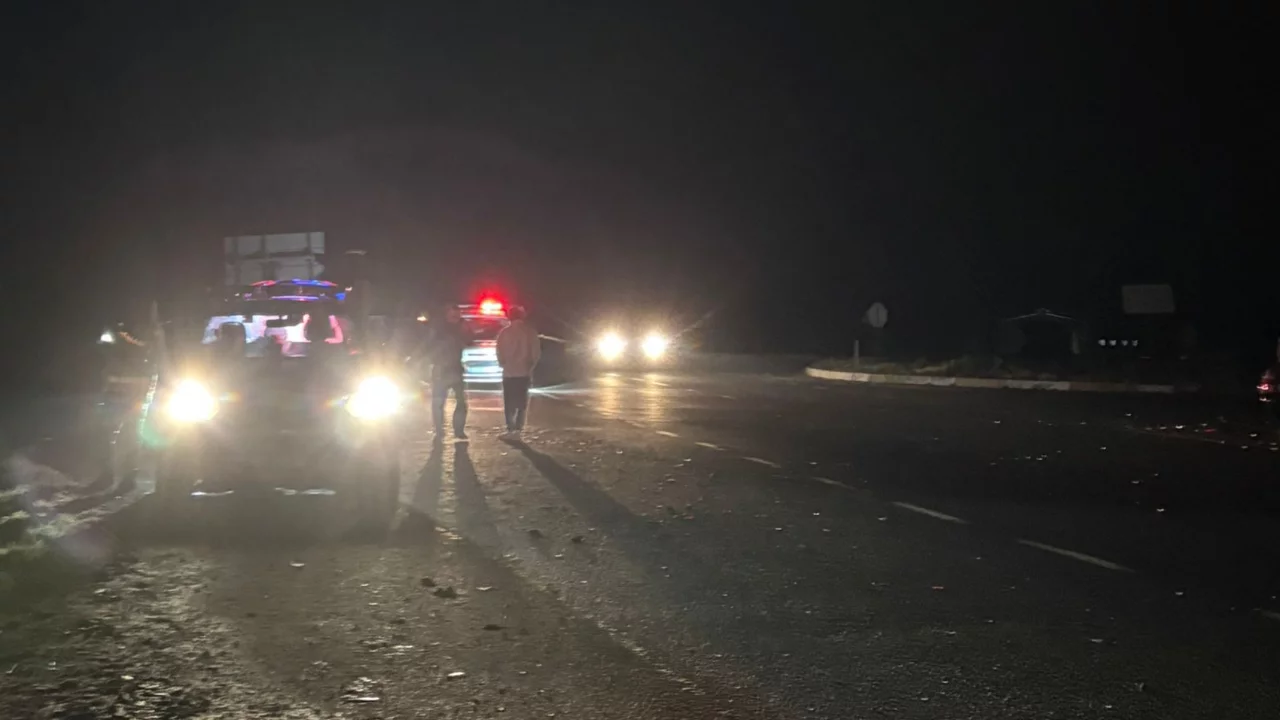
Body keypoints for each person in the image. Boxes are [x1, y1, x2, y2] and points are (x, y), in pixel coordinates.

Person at [495, 305, 540, 436]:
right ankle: (518, 428)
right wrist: (531, 366)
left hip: (509, 373)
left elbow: (499, 352)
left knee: (509, 401)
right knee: (522, 402)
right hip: (524, 372)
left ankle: (510, 428)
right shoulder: (530, 332)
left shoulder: (504, 333)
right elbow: (536, 353)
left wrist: (503, 363)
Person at [429, 305, 472, 441]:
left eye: (458, 316)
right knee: (439, 402)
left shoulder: (460, 328)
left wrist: (465, 330)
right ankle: (439, 430)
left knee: (460, 401)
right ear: (447, 315)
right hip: (441, 370)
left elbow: (468, 341)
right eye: (454, 315)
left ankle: (458, 430)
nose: (456, 318)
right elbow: (430, 346)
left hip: (455, 369)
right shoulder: (439, 329)